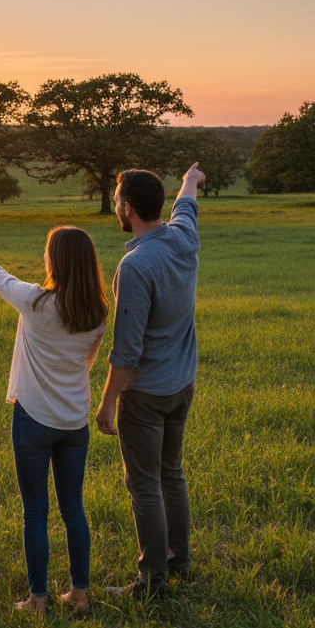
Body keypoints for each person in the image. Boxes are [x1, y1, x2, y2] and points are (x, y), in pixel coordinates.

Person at [0, 226, 108, 616]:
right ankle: (79, 594)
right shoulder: (98, 313)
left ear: (57, 261)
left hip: (33, 419)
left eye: (48, 253)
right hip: (74, 422)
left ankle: (37, 598)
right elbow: (87, 363)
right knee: (73, 507)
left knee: (35, 509)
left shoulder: (36, 302)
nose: (44, 258)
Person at [96, 162, 205, 597]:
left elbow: (126, 351)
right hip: (182, 384)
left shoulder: (136, 265)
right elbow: (188, 207)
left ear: (126, 208)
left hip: (145, 395)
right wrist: (190, 180)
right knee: (171, 474)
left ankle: (152, 580)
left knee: (144, 484)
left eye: (118, 201)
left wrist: (106, 403)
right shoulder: (184, 238)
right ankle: (179, 563)